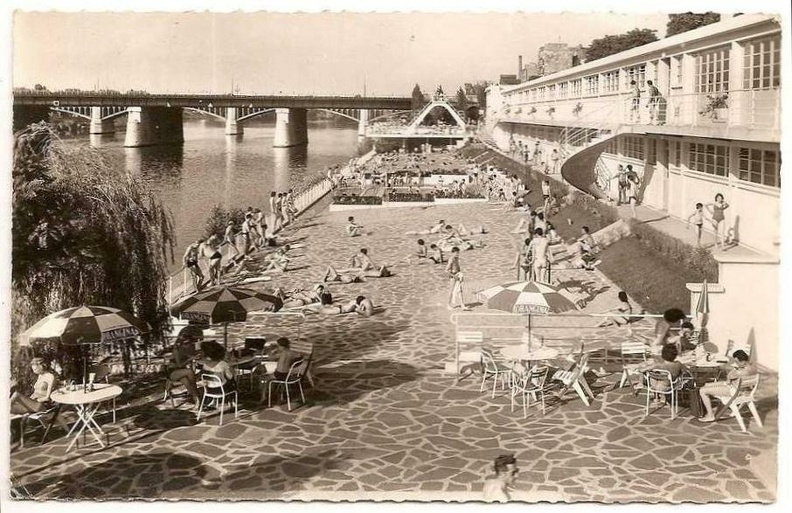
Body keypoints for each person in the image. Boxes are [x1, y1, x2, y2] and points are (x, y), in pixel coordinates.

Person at [698, 350, 756, 422]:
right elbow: (730, 380)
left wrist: (734, 369)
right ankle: (707, 409)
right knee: (707, 385)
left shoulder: (740, 372)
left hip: (734, 391)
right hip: (739, 388)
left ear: (743, 362)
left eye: (737, 362)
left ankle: (710, 415)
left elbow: (729, 376)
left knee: (702, 390)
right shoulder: (751, 368)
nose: (736, 364)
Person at [166, 336, 201, 408]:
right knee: (189, 372)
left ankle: (196, 400)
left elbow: (188, 356)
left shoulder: (184, 349)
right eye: (186, 343)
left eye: (189, 343)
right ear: (181, 344)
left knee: (187, 382)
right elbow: (179, 365)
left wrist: (194, 357)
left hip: (181, 372)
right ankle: (197, 394)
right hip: (172, 372)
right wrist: (190, 359)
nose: (188, 345)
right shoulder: (176, 351)